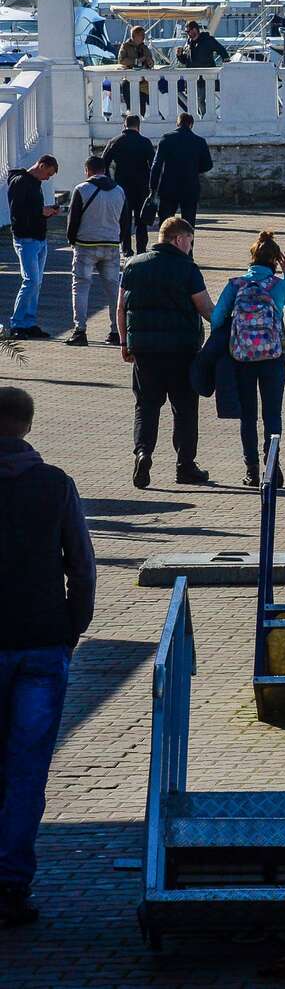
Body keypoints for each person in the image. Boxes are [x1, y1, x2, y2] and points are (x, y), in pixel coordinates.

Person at [0, 387, 94, 928]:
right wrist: (71, 627)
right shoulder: (55, 484)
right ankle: (11, 884)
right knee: (27, 768)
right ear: (28, 427)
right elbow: (80, 565)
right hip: (41, 641)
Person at [118, 217, 213, 488]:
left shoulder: (134, 265)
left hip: (145, 351)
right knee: (184, 409)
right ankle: (185, 466)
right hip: (181, 351)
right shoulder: (187, 268)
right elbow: (205, 308)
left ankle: (143, 452)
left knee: (146, 405)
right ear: (179, 239)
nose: (190, 247)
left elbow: (120, 308)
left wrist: (125, 343)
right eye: (190, 242)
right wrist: (228, 326)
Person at [209, 231, 285, 486]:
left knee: (248, 414)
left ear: (252, 257)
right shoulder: (279, 285)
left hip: (241, 357)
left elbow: (217, 319)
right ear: (275, 261)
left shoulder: (235, 284)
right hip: (273, 357)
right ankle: (273, 467)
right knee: (273, 414)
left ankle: (251, 470)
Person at [63, 155, 125, 346]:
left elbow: (72, 221)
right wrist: (119, 240)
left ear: (88, 170)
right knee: (114, 289)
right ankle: (116, 332)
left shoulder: (82, 189)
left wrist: (71, 240)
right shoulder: (119, 191)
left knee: (81, 287)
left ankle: (80, 331)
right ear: (105, 170)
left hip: (86, 245)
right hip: (112, 244)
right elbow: (125, 220)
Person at [5, 156, 60, 340]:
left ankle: (28, 322)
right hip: (26, 238)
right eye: (48, 173)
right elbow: (17, 211)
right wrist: (40, 211)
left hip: (38, 238)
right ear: (41, 165)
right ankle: (17, 324)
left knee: (36, 283)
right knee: (30, 281)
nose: (48, 178)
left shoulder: (34, 183)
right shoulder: (20, 181)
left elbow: (31, 208)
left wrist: (45, 212)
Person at [149, 112, 213, 228]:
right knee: (188, 224)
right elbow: (208, 165)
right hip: (190, 187)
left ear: (177, 123)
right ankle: (188, 245)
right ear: (191, 125)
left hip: (168, 187)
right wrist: (194, 169)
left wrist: (153, 188)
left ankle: (165, 245)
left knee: (166, 223)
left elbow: (156, 165)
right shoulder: (199, 141)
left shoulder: (166, 138)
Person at [104, 114, 156, 256]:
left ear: (124, 124)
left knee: (124, 219)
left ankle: (126, 249)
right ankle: (141, 249)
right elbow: (153, 165)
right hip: (141, 186)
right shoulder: (145, 142)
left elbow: (103, 163)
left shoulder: (115, 141)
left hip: (121, 186)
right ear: (138, 126)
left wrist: (109, 181)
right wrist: (152, 186)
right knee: (141, 220)